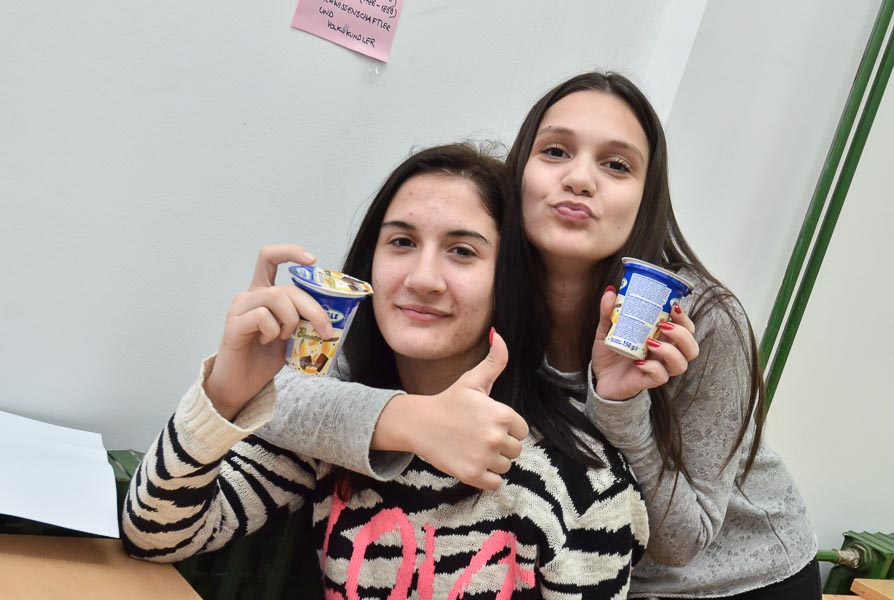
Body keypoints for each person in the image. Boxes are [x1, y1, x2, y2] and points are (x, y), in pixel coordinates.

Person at [262, 73, 820, 599]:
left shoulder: (695, 318)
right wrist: (410, 421)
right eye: (555, 152)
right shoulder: (474, 285)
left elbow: (682, 543)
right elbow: (284, 399)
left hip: (734, 580)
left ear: (646, 197)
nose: (580, 178)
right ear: (518, 175)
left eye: (617, 165)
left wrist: (619, 405)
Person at [122, 143, 648, 598]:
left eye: (462, 251)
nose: (422, 278)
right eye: (401, 242)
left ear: (507, 279)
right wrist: (226, 391)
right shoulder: (336, 430)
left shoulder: (583, 483)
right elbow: (155, 535)